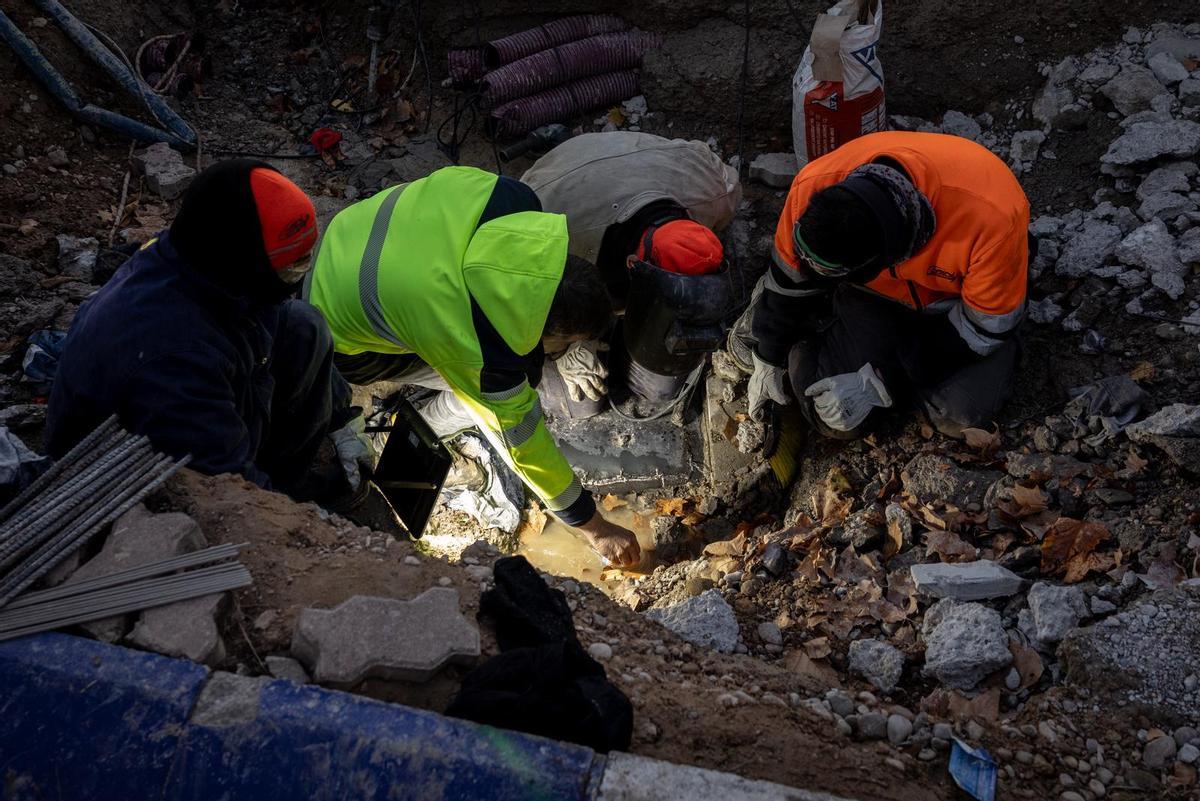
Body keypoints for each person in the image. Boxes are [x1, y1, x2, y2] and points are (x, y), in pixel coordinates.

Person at [304, 165, 641, 567]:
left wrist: (562, 347)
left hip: (344, 237)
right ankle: (400, 435)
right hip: (333, 329)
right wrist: (595, 528)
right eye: (566, 343)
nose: (565, 350)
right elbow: (522, 444)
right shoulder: (477, 348)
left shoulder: (516, 201)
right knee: (490, 396)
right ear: (544, 329)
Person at [46, 159, 368, 499]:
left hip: (201, 392)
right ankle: (286, 496)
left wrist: (341, 417)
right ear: (244, 266)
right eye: (290, 268)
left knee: (304, 326)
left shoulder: (199, 254)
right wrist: (297, 519)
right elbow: (229, 491)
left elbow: (276, 316)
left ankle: (290, 480)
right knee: (252, 496)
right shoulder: (174, 363)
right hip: (127, 483)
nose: (295, 279)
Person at [735, 131, 1031, 439]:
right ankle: (805, 326)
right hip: (875, 295)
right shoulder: (813, 185)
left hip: (954, 310)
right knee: (834, 414)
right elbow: (789, 277)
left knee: (958, 414)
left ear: (885, 259)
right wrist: (768, 355)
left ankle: (840, 333)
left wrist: (882, 382)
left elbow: (983, 327)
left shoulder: (993, 220)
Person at [520, 131, 741, 411]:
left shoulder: (715, 193)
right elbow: (525, 302)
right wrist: (565, 349)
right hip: (565, 178)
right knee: (583, 405)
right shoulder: (547, 231)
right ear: (632, 263)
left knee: (660, 386)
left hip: (640, 166)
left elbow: (719, 173)